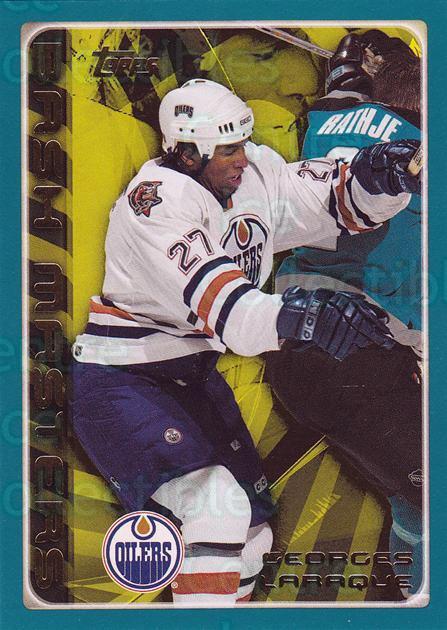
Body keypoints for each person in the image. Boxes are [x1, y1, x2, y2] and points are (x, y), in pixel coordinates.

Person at [71, 78, 420, 604]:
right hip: (123, 379)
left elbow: (328, 198)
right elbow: (229, 312)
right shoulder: (156, 206)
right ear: (187, 153)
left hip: (192, 377)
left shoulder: (249, 173)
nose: (242, 158)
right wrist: (309, 316)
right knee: (215, 508)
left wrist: (379, 172)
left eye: (243, 142)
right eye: (228, 149)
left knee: (252, 540)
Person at [272, 32, 424, 595]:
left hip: (307, 345)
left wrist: (352, 67)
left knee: (417, 500)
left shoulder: (326, 122)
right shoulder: (417, 149)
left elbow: (348, 90)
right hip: (353, 354)